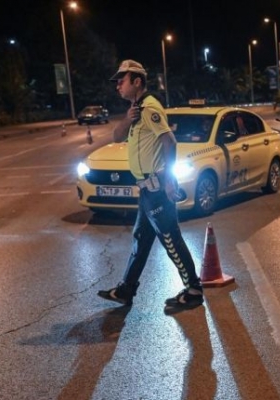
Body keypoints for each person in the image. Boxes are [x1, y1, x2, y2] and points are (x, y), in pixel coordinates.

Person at [97, 59, 203, 313]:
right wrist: (126, 119)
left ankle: (194, 290)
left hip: (156, 188)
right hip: (146, 189)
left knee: (169, 238)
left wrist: (168, 180)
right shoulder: (136, 110)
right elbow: (116, 136)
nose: (117, 86)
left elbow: (170, 143)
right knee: (141, 239)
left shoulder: (150, 108)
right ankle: (126, 290)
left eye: (121, 81)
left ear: (137, 81)